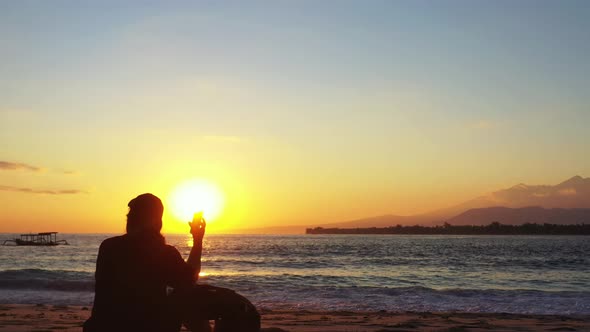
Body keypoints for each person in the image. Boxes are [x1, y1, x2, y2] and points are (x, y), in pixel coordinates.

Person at [83, 193, 207, 332]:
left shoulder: (108, 246)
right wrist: (197, 240)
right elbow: (191, 278)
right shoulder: (163, 253)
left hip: (102, 326)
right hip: (147, 326)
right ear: (157, 222)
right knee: (186, 293)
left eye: (130, 216)